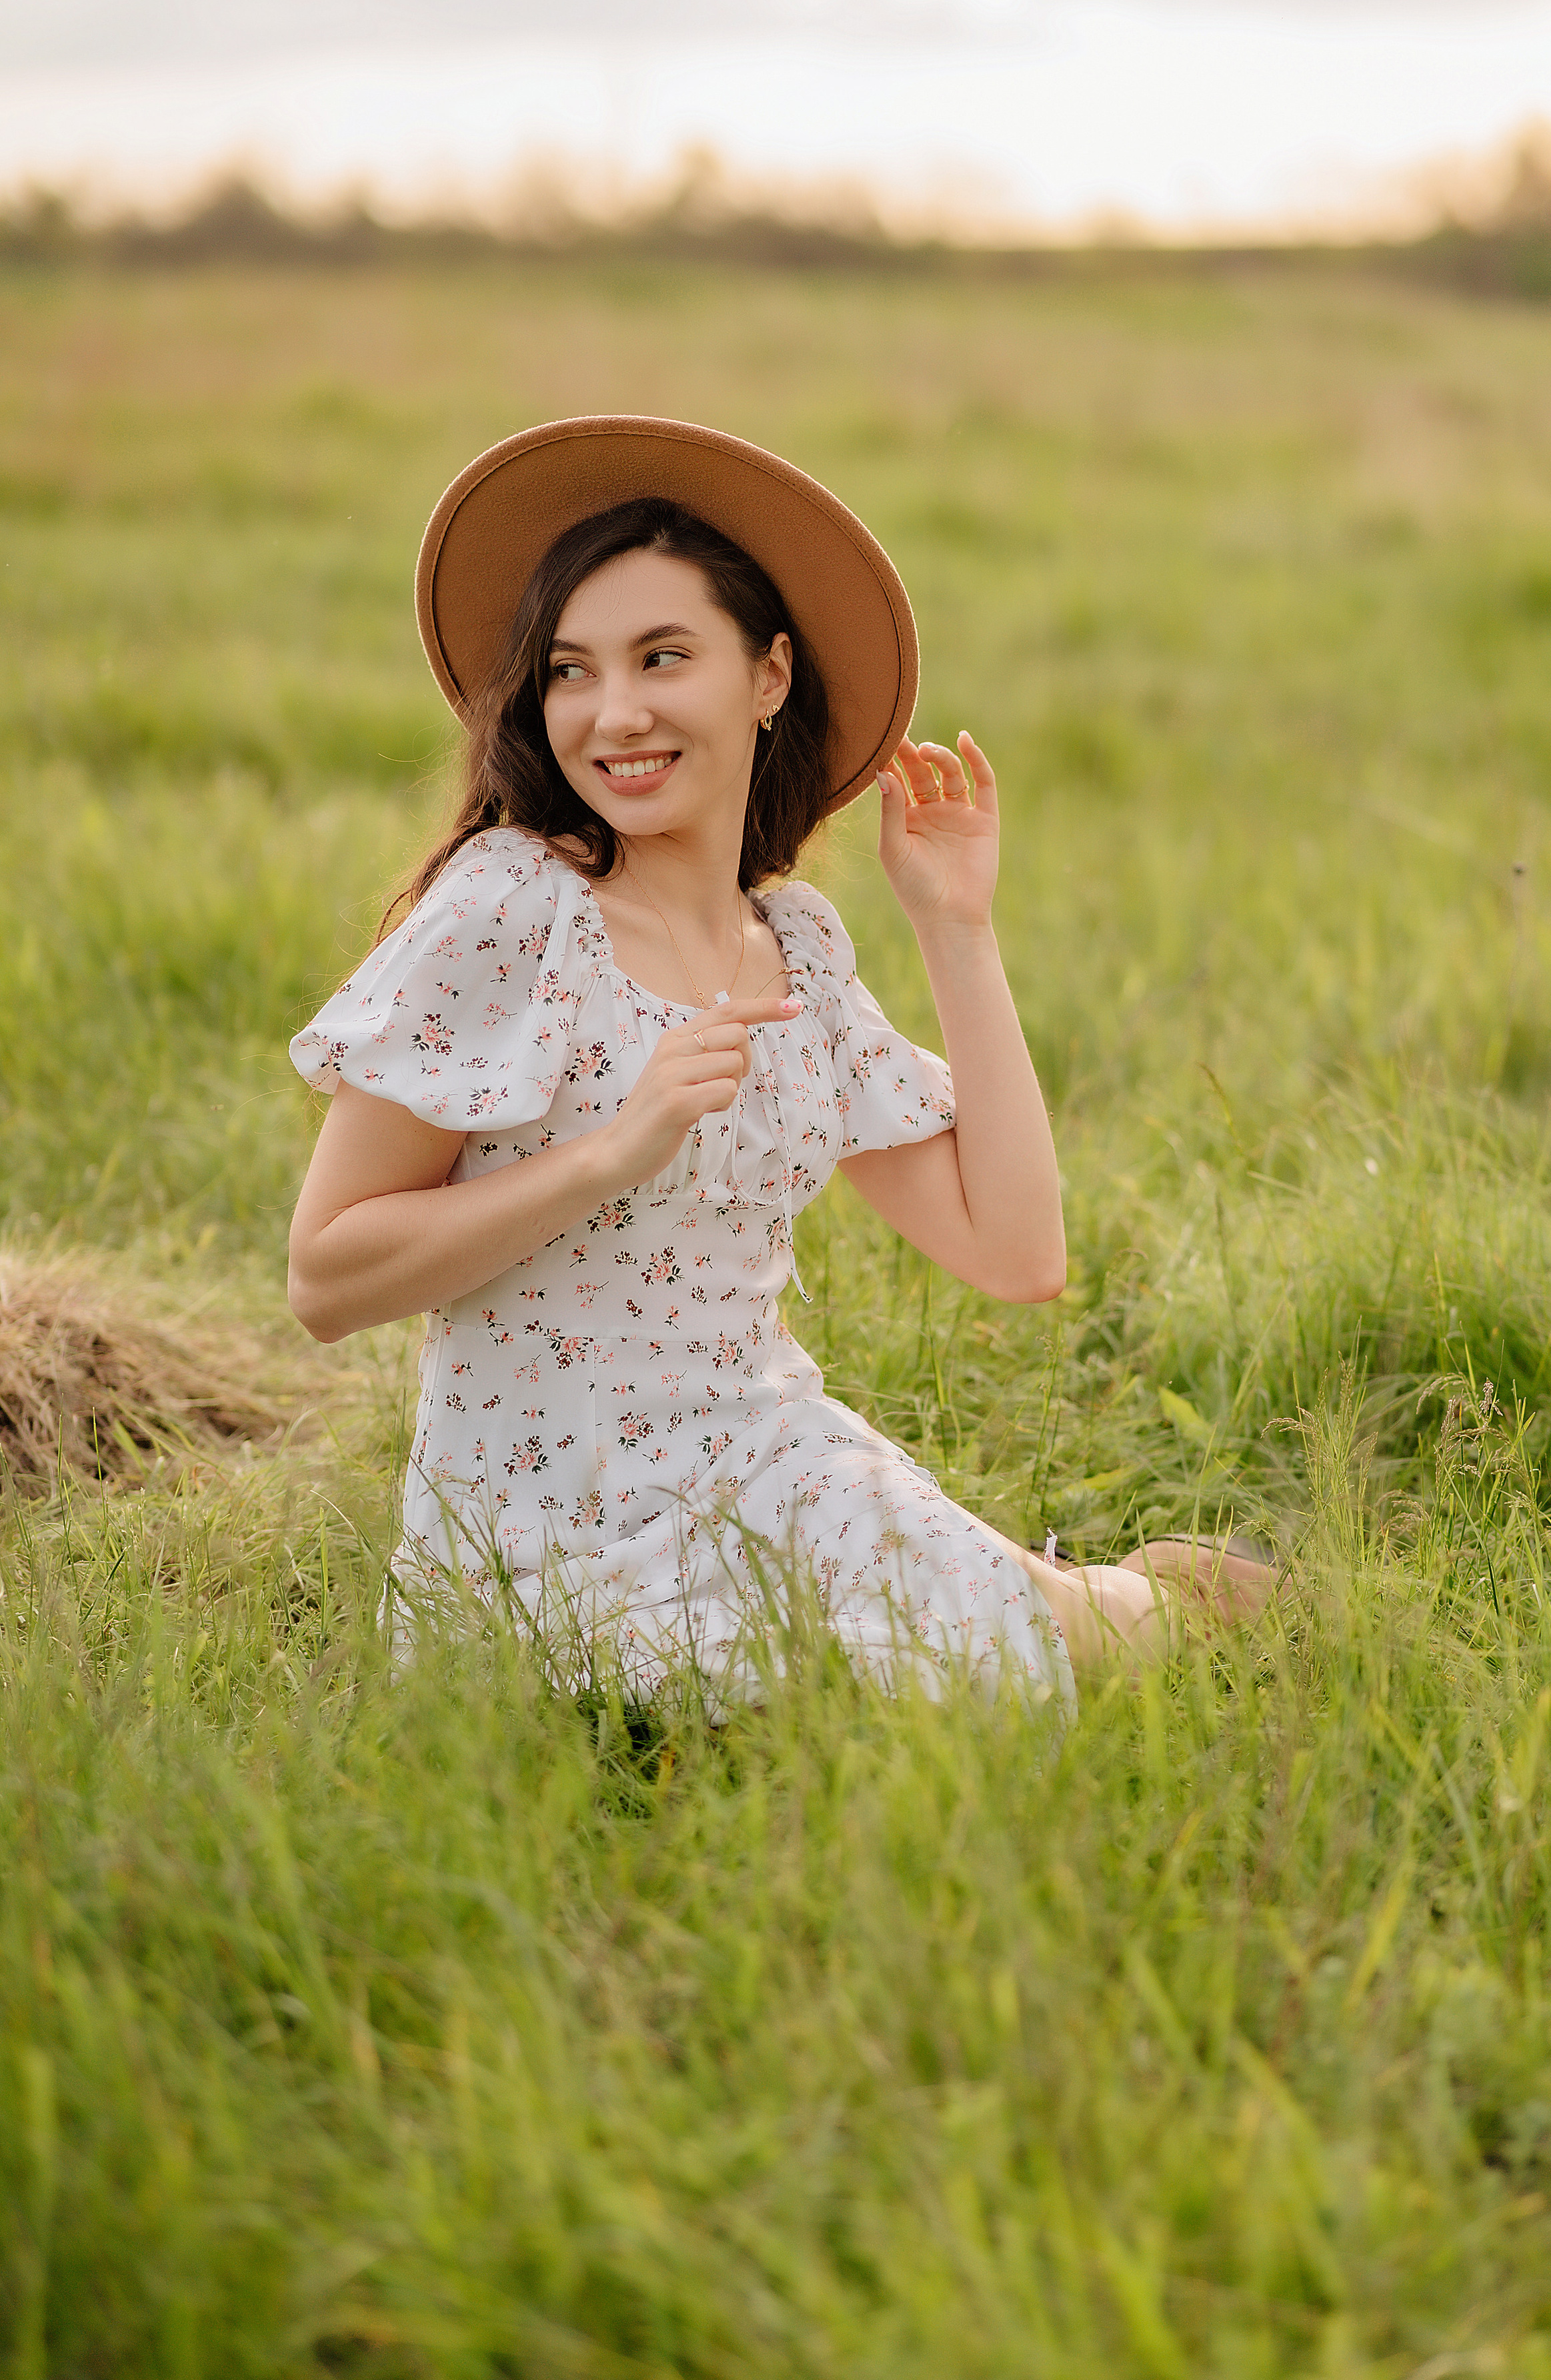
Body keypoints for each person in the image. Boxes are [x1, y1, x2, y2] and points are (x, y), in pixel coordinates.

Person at [287, 417, 1272, 1705]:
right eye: (572, 671)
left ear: (769, 675)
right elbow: (325, 1276)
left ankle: (1154, 1596)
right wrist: (608, 1154)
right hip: (535, 1541)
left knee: (982, 1684)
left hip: (774, 1473)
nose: (615, 713)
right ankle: (1080, 1595)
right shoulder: (510, 909)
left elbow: (1019, 1253)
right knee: (753, 1706)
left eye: (664, 657)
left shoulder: (795, 951)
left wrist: (958, 930)